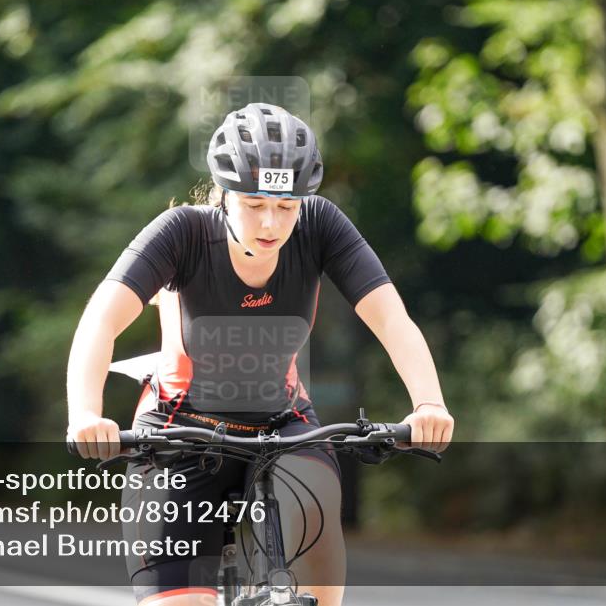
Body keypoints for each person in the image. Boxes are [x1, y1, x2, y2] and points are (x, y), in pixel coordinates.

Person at [66, 103, 454, 606]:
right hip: (177, 430)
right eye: (253, 204)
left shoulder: (320, 225)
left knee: (316, 501)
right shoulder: (181, 232)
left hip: (283, 422)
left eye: (286, 206)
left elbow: (391, 319)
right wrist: (84, 415)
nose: (271, 222)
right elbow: (101, 319)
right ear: (224, 196)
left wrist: (428, 404)